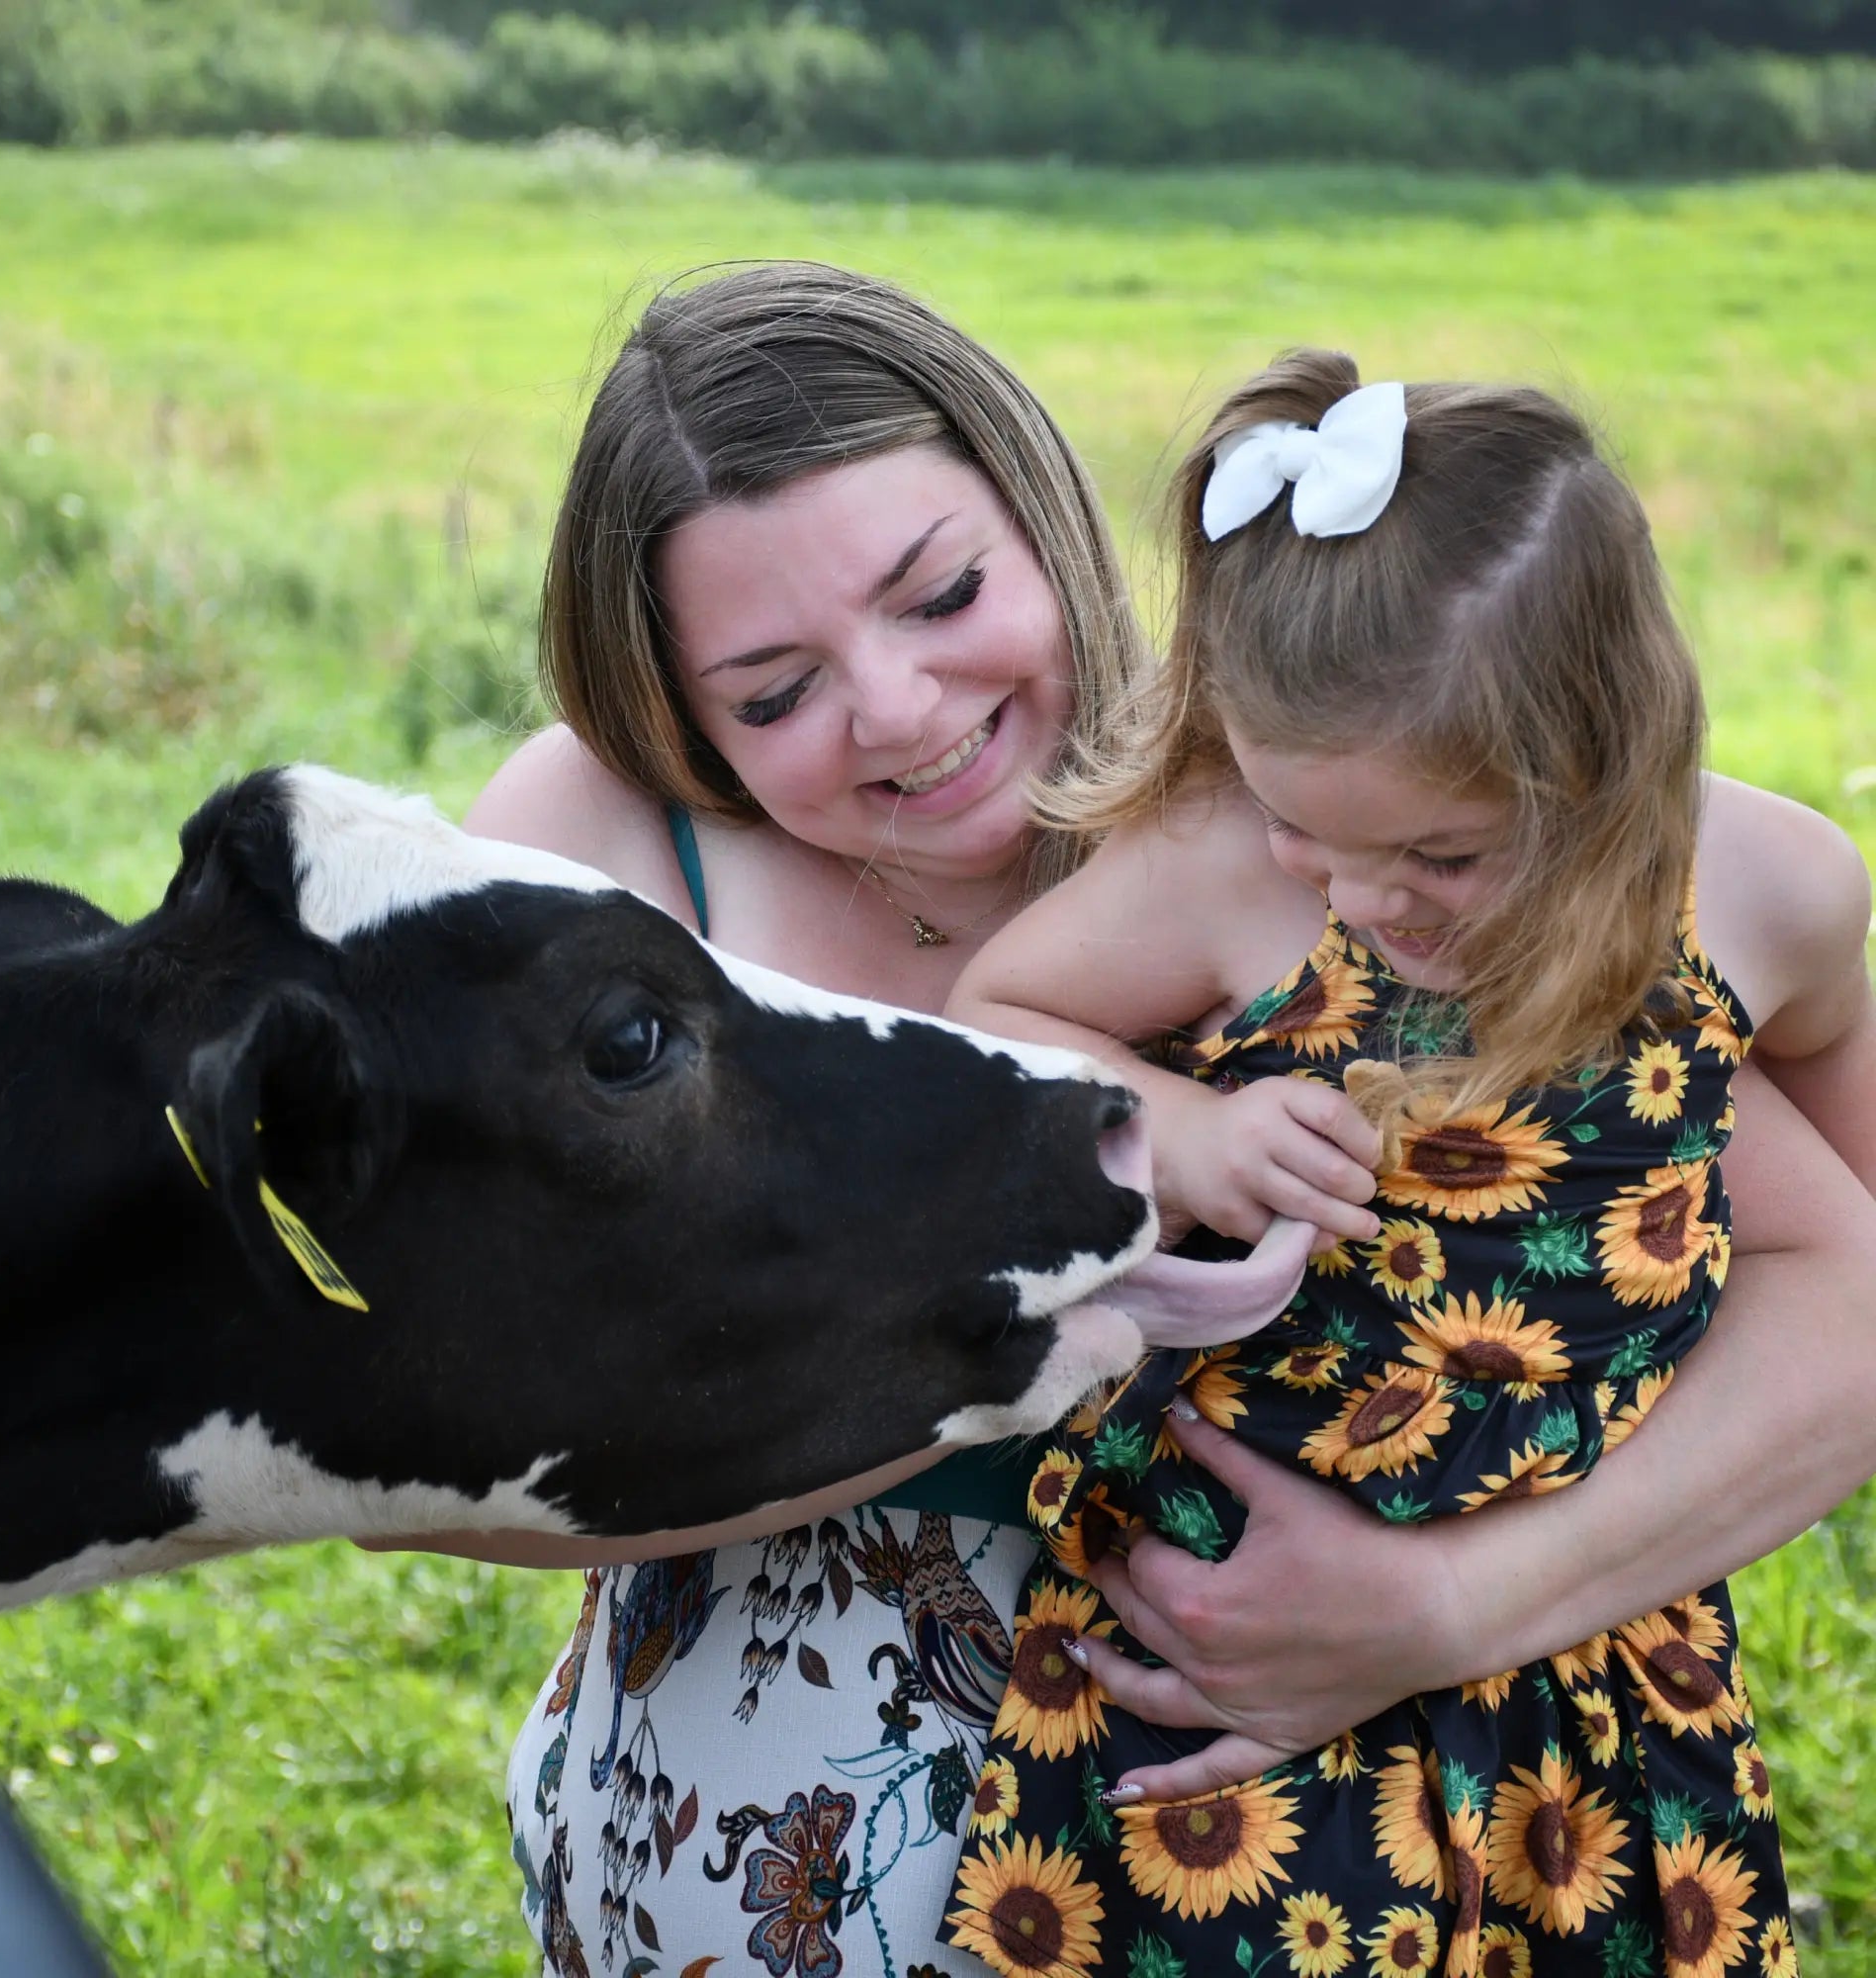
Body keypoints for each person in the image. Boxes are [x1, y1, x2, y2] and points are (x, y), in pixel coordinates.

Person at [422, 265, 1876, 1978]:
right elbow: (425, 1438)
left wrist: (1443, 1610)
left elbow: (1812, 1261)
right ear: (670, 702)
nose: (895, 711)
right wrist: (1016, 1363)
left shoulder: (1294, 817)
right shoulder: (608, 866)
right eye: (771, 693)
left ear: (1038, 514)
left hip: (1342, 1834)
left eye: (944, 592)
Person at [941, 350, 1876, 1975]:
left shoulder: (1771, 892)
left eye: (1438, 853)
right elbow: (1002, 1016)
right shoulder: (1238, 873)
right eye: (1315, 831)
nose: (1364, 895)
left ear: (1606, 750)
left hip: (1595, 1640)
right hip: (1247, 1658)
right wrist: (1188, 1129)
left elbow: (1839, 1099)